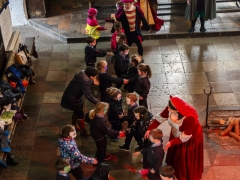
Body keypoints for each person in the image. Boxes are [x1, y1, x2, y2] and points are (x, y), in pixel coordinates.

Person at [145, 95, 203, 180]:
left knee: (183, 156)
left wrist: (172, 142)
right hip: (176, 134)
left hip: (189, 139)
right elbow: (160, 118)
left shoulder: (189, 118)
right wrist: (150, 129)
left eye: (170, 109)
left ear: (177, 110)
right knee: (175, 154)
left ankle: (183, 174)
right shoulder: (170, 107)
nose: (168, 109)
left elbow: (186, 136)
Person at [61, 66, 99, 136]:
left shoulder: (82, 74)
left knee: (77, 111)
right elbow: (89, 96)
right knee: (80, 113)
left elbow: (86, 81)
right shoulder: (85, 82)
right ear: (90, 76)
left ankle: (74, 125)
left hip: (70, 96)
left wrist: (92, 82)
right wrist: (99, 103)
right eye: (94, 77)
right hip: (73, 99)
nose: (95, 78)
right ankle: (83, 131)